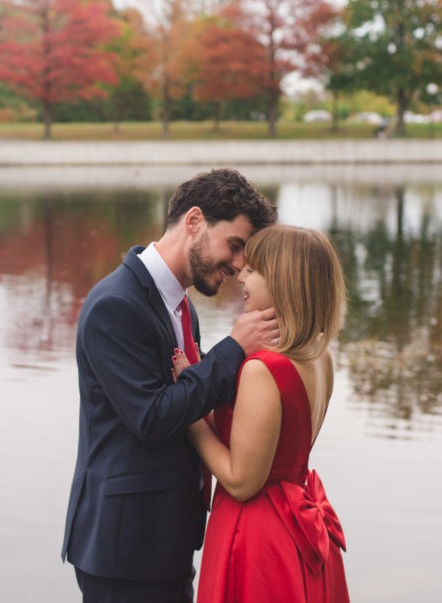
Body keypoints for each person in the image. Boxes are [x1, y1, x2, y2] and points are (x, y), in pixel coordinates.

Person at [62, 168, 279, 603]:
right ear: (194, 221)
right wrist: (234, 349)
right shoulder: (116, 305)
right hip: (124, 549)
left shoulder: (182, 308)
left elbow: (188, 398)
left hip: (164, 540)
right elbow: (152, 416)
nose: (239, 266)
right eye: (235, 246)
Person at [172, 224, 349, 602]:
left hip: (256, 535)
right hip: (298, 527)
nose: (242, 277)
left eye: (254, 270)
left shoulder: (263, 369)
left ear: (283, 281)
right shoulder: (321, 355)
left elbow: (240, 479)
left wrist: (188, 414)